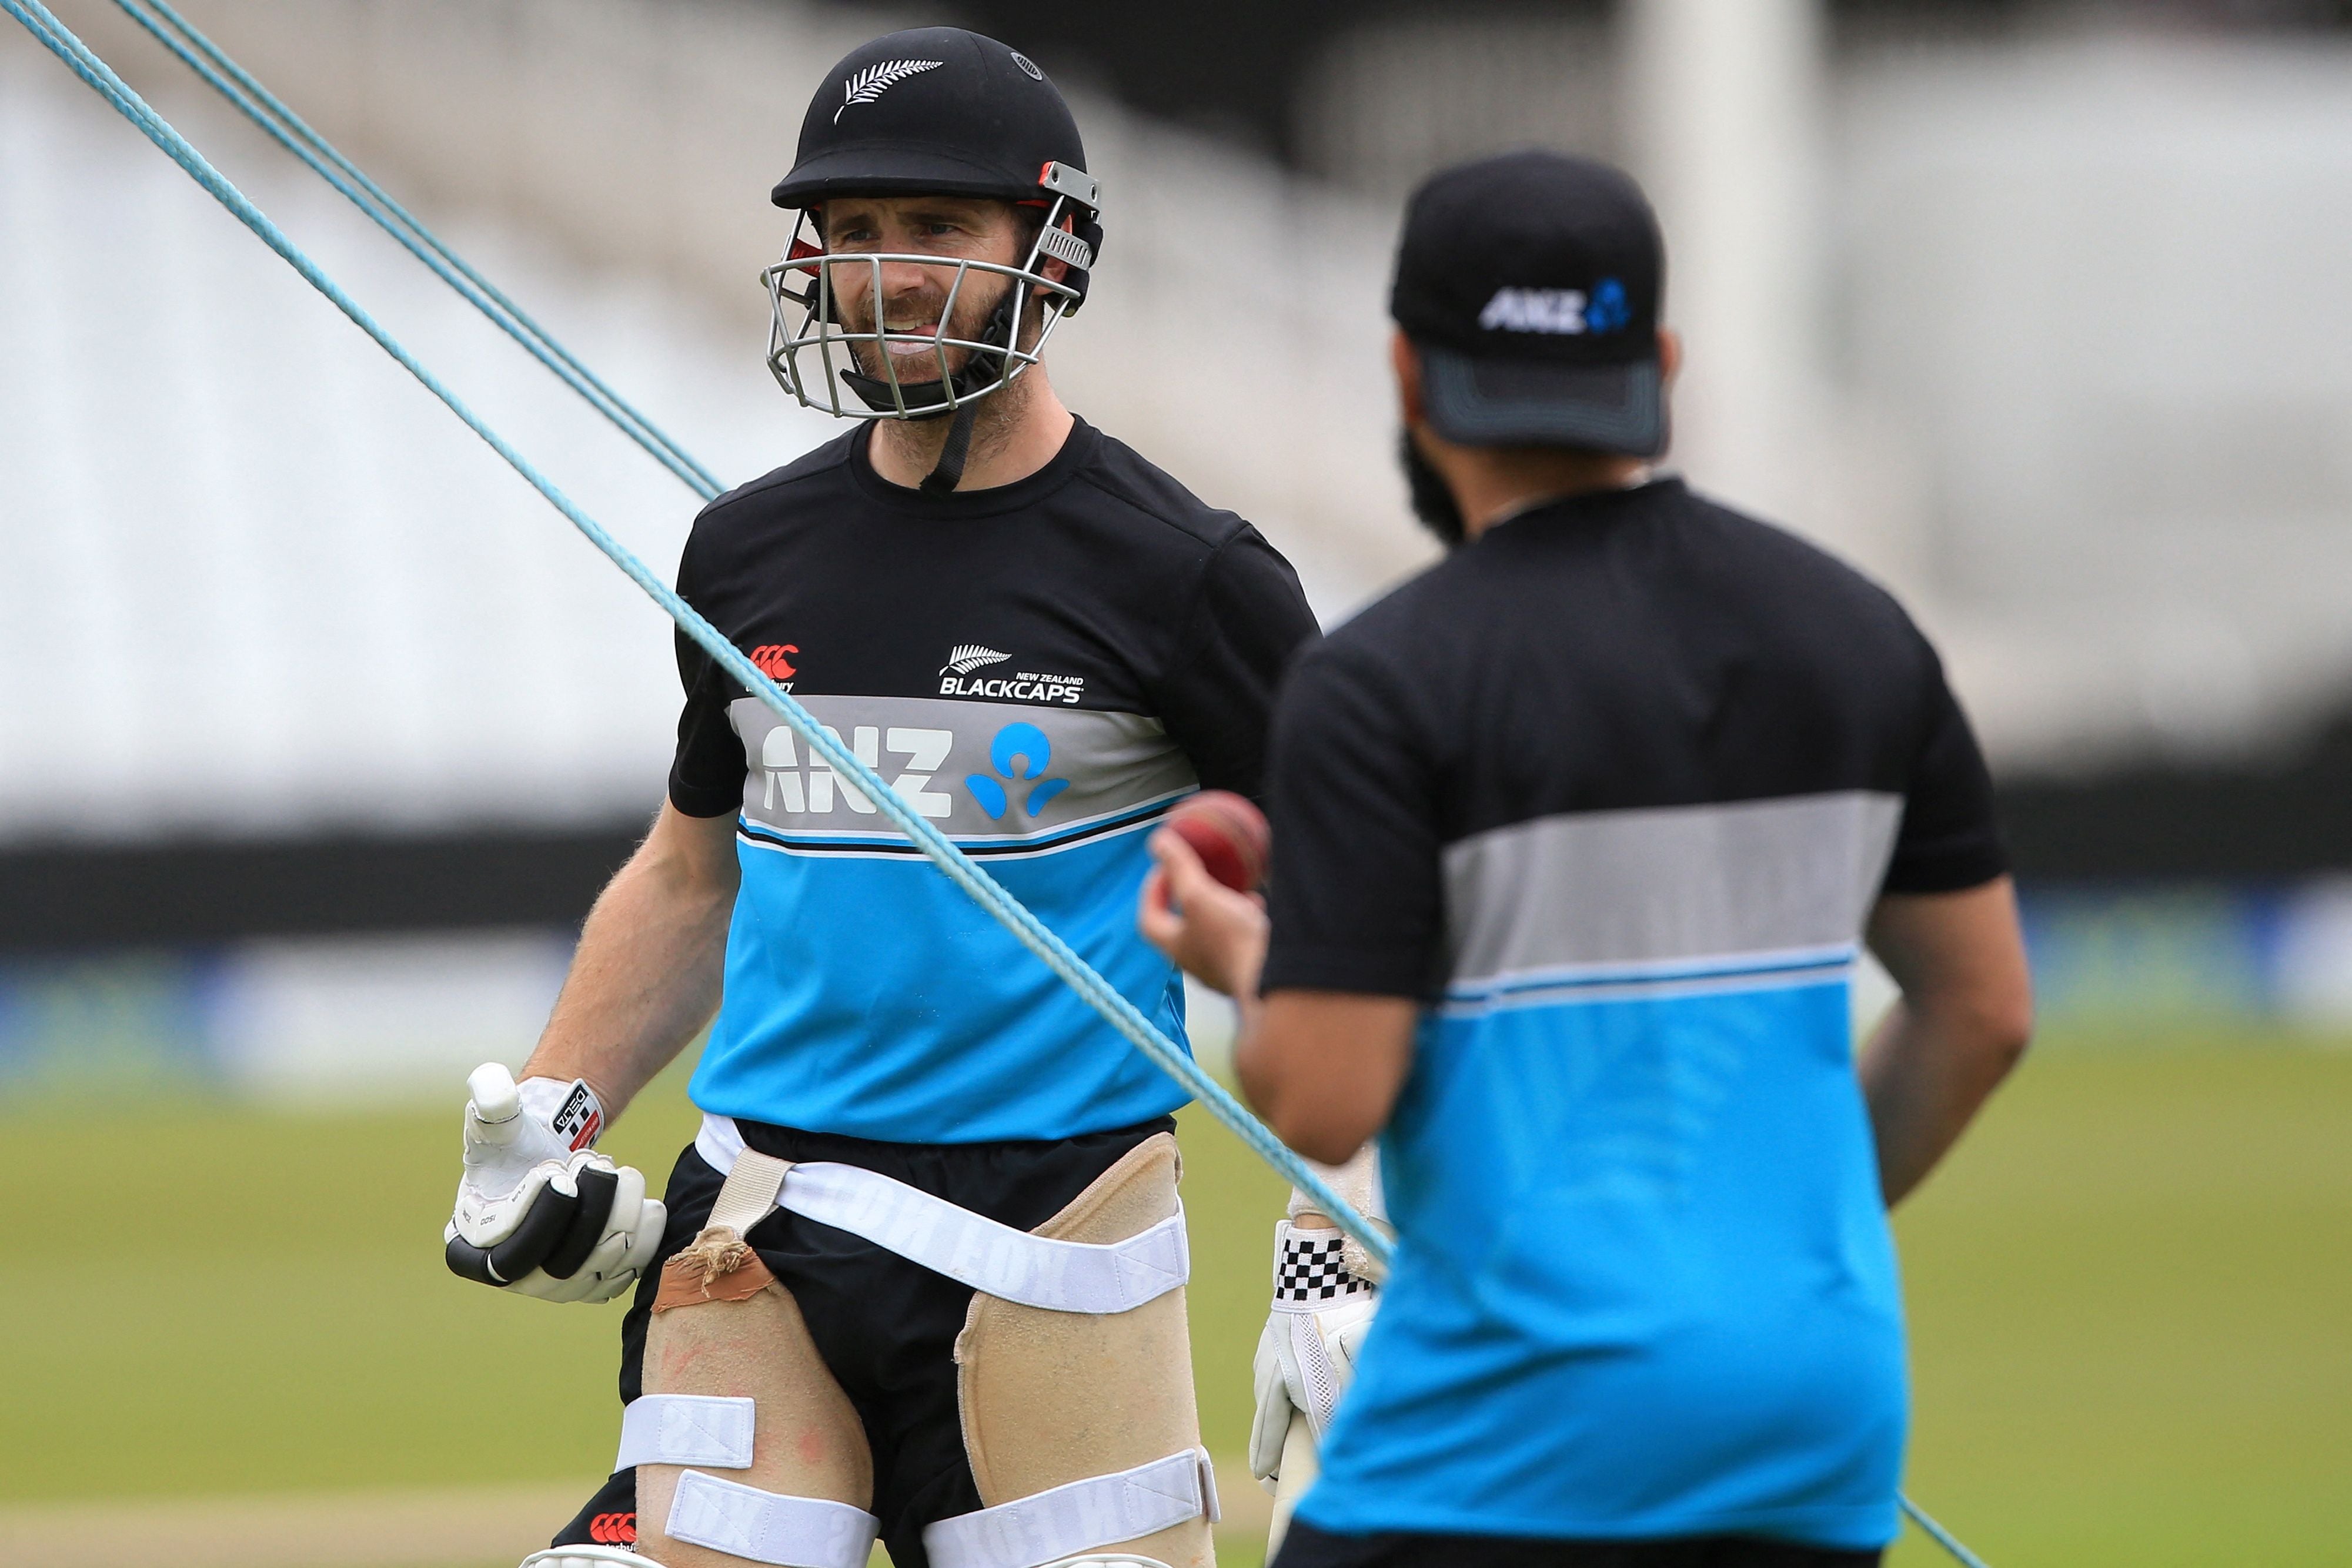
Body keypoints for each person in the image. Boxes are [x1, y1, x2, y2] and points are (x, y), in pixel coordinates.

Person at [443, 27, 1319, 1568]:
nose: (886, 272)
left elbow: (1352, 911)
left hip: (1062, 1244)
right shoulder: (747, 554)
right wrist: (554, 1119)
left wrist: (1335, 1251)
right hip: (761, 1226)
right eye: (852, 233)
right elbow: (689, 875)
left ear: (1050, 257)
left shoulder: (1193, 578)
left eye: (937, 231)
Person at [1141, 150, 2033, 1568]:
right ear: (1659, 364)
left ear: (1410, 377)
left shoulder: (1381, 685)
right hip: (1810, 1422)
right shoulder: (1857, 635)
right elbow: (1981, 1010)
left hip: (1503, 1439)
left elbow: (1321, 1093)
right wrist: (1746, 1250)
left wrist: (1236, 957)